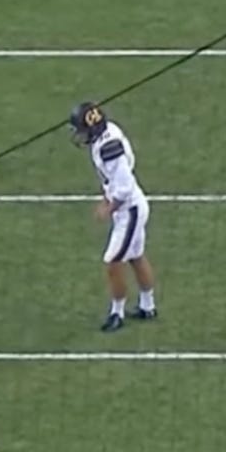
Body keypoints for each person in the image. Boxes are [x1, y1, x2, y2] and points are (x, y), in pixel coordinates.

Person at [68, 102, 155, 332]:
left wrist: (109, 207)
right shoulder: (108, 133)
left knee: (113, 261)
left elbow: (124, 186)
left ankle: (117, 313)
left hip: (129, 210)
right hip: (130, 206)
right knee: (136, 256)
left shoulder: (109, 148)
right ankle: (148, 306)